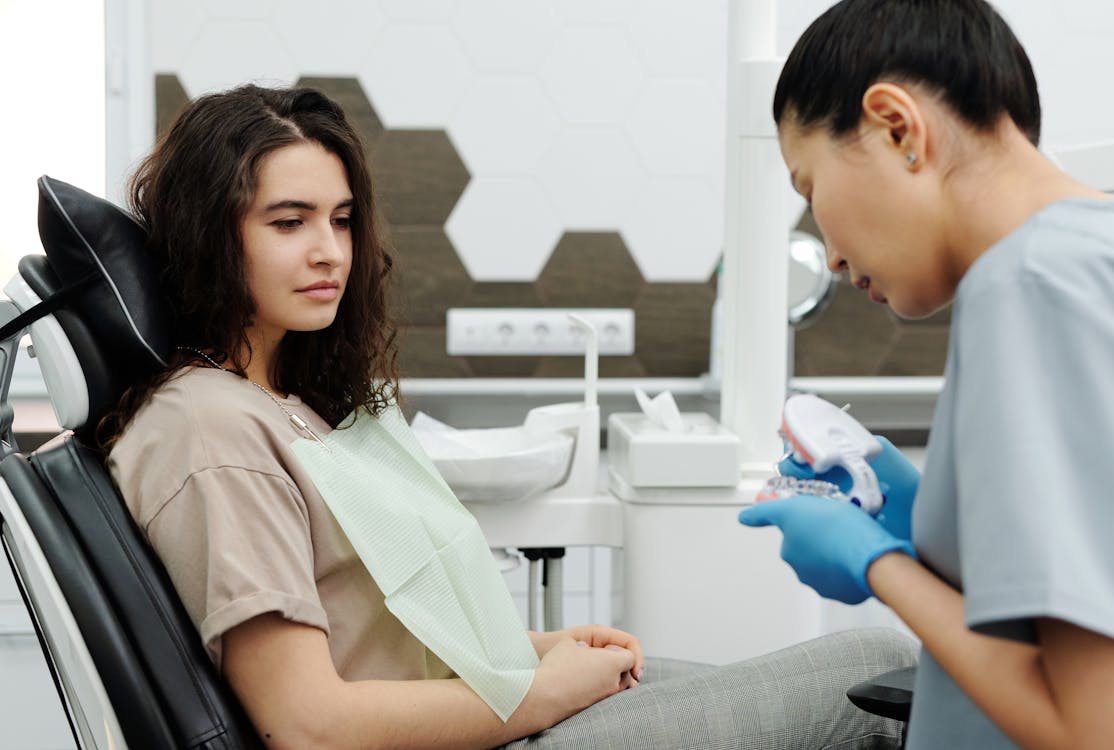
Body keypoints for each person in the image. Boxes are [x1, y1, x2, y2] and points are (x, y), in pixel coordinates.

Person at [103, 84, 916, 749]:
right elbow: (309, 723)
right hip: (488, 741)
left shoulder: (282, 407)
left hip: (487, 720)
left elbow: (385, 643)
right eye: (289, 222)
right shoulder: (208, 429)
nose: (330, 252)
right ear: (209, 236)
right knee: (876, 669)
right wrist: (539, 698)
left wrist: (539, 654)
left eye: (341, 219)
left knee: (860, 681)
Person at [739, 1, 1114, 748]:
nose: (827, 253)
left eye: (809, 189)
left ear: (897, 126)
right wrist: (938, 531)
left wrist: (881, 565)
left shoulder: (1037, 290)